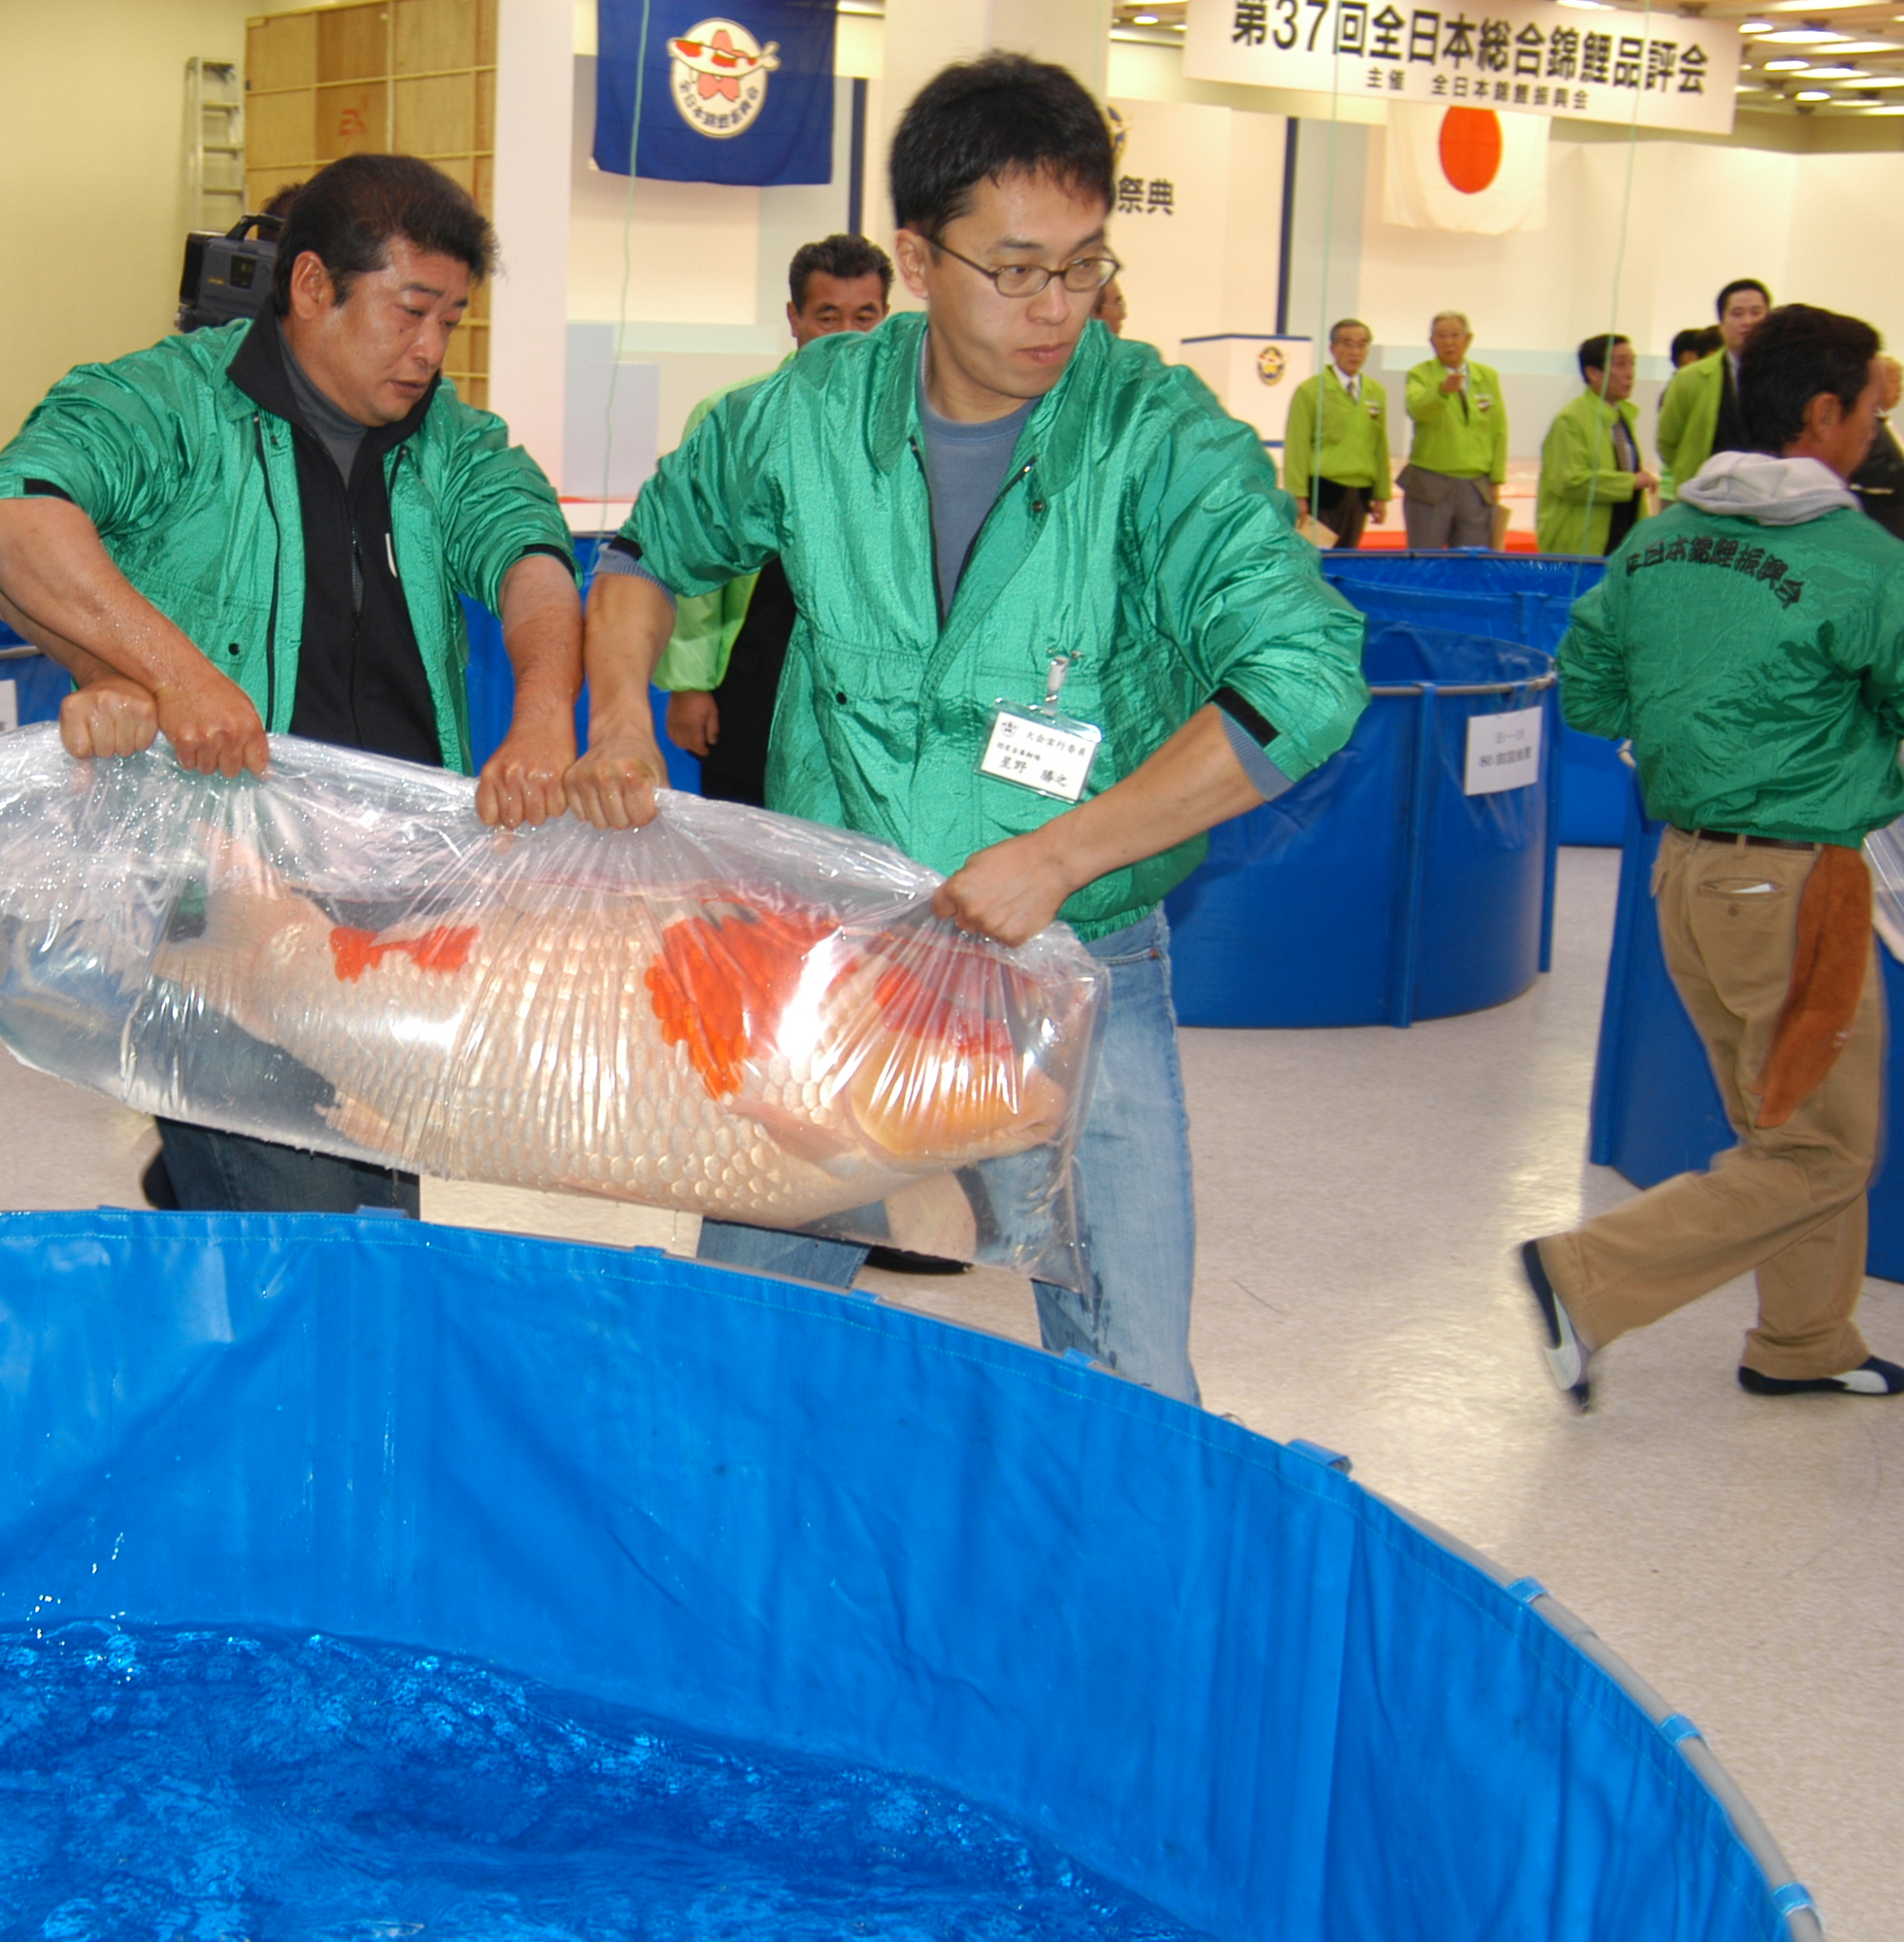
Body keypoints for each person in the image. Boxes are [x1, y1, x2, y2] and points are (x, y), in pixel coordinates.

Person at [564, 54, 1369, 1402]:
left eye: (1086, 267)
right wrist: (618, 719)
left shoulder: (1160, 441)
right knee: (736, 1332)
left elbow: (1308, 677)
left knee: (1132, 1367)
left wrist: (1063, 856)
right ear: (918, 259)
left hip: (1079, 962)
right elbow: (650, 551)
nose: (1061, 309)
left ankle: (1120, 1601)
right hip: (846, 956)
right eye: (1017, 270)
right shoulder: (810, 415)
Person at [0, 152, 583, 1220]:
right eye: (408, 312)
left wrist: (539, 719)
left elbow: (531, 557)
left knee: (390, 1194)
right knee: (289, 1215)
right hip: (220, 895)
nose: (429, 350)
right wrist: (174, 673)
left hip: (400, 901)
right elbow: (14, 521)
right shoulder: (165, 404)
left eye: (451, 321)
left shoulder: (445, 441)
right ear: (308, 288)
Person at [1520, 305, 1904, 1408]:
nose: (1875, 429)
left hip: (1683, 874)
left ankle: (1802, 1338)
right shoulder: (1858, 560)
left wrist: (1695, 734)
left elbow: (1587, 686)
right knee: (1821, 1147)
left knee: (1781, 1117)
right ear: (1823, 412)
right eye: (1872, 408)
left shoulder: (1657, 538)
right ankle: (1579, 1276)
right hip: (1797, 885)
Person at [658, 233, 892, 808]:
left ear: (889, 316)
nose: (848, 335)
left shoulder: (916, 421)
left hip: (876, 680)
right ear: (794, 318)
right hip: (757, 660)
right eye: (827, 316)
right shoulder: (732, 415)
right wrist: (690, 684)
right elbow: (693, 562)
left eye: (865, 316)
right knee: (749, 852)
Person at [1535, 333, 1659, 556]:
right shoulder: (1571, 419)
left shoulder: (1623, 416)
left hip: (1622, 533)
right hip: (1580, 540)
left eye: (1632, 364)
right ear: (1593, 372)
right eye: (1621, 364)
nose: (1630, 373)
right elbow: (1571, 481)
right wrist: (1630, 481)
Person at [1398, 310, 1507, 550]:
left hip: (1475, 485)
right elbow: (1417, 409)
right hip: (1430, 483)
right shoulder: (1420, 374)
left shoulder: (1487, 376)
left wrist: (1496, 478)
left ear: (1468, 339)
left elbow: (1498, 429)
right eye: (1441, 336)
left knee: (1471, 561)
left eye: (1455, 335)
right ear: (1431, 342)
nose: (1449, 342)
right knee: (1426, 559)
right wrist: (1441, 392)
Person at [1656, 278, 1771, 500]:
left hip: (1768, 501)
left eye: (1756, 312)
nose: (1748, 321)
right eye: (1737, 314)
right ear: (1721, 323)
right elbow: (1668, 444)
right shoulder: (1688, 379)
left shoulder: (1787, 375)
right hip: (1705, 497)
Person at [1282, 318, 1391, 549]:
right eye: (1347, 343)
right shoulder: (1310, 391)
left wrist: (1381, 495)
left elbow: (1380, 446)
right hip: (1323, 491)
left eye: (1362, 345)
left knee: (1347, 560)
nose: (1355, 352)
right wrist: (1298, 495)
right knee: (1317, 561)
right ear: (1333, 349)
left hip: (1360, 494)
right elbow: (1297, 445)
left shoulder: (1376, 392)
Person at [1851, 353, 1904, 544]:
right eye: (1894, 382)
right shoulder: (1867, 424)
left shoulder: (1885, 421)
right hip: (1882, 523)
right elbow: (1866, 469)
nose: (1900, 389)